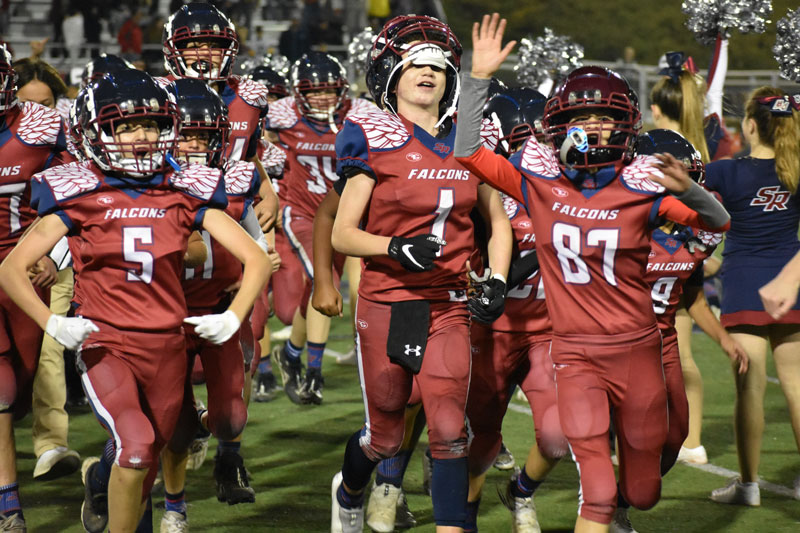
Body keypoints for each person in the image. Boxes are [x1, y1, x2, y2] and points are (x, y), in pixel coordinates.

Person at [454, 14, 730, 533]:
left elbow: (718, 221)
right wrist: (478, 78)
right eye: (584, 117)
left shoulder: (642, 184)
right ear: (559, 123)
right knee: (598, 494)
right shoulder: (538, 182)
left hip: (639, 350)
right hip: (576, 354)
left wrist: (687, 189)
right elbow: (468, 152)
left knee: (643, 493)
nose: (595, 128)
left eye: (606, 118)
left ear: (625, 125)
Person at [0, 69, 269, 533]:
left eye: (148, 124)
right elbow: (12, 267)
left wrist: (233, 315)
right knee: (138, 446)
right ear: (95, 132)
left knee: (147, 462)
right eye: (124, 126)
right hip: (107, 344)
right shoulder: (78, 189)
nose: (139, 137)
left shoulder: (184, 185)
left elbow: (256, 259)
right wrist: (52, 322)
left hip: (165, 345)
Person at [330, 14, 512, 533]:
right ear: (390, 71)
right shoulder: (371, 130)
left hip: (449, 301)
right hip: (390, 298)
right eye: (416, 63)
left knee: (450, 428)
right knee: (385, 435)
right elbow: (343, 232)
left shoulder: (471, 136)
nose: (428, 72)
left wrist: (496, 279)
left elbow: (498, 223)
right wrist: (394, 246)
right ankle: (348, 492)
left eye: (438, 64)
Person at [159, 78, 271, 531]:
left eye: (203, 135)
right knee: (170, 427)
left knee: (228, 421)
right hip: (165, 317)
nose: (192, 144)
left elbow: (257, 247)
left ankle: (203, 425)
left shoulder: (235, 177)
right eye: (184, 133)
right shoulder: (149, 182)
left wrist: (258, 259)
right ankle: (173, 507)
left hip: (218, 312)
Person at [463, 85, 567, 533]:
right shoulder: (484, 193)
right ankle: (461, 518)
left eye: (545, 135)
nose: (539, 147)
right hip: (493, 329)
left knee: (557, 437)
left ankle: (521, 492)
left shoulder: (573, 182)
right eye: (527, 137)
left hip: (547, 330)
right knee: (480, 441)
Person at [705, 87, 800, 506]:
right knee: (798, 389)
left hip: (744, 288)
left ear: (748, 126)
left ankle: (747, 486)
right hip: (792, 286)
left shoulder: (726, 171)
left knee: (750, 390)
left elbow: (686, 189)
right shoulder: (796, 169)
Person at [267, 51, 376, 404]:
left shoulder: (359, 113)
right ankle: (313, 373)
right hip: (300, 212)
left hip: (345, 216)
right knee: (322, 275)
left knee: (324, 287)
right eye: (314, 91)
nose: (323, 97)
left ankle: (293, 354)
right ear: (298, 93)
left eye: (329, 90)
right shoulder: (281, 113)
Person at [0, 43, 67, 531]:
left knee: (20, 384)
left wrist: (55, 254)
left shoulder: (42, 126)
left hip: (24, 272)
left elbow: (79, 199)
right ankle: (9, 503)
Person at [9, 56, 82, 483]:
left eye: (47, 103)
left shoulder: (69, 143)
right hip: (9, 257)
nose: (38, 112)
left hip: (51, 263)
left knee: (50, 351)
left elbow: (79, 208)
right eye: (27, 102)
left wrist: (53, 258)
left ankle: (51, 443)